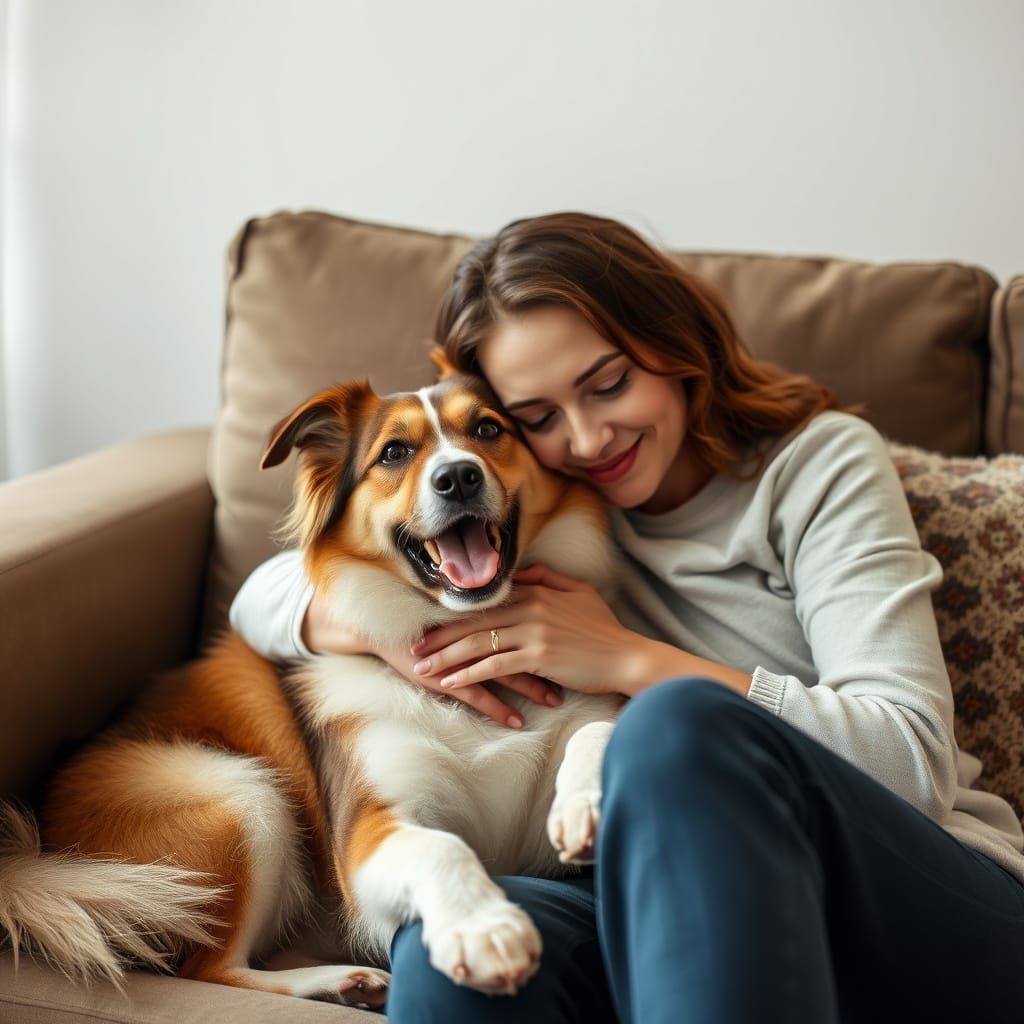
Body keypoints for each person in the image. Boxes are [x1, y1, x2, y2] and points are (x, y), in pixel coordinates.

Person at [229, 212, 1024, 1022]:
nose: (587, 437)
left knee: (672, 725)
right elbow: (266, 590)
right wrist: (389, 637)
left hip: (917, 894)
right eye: (537, 416)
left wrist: (629, 661)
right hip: (659, 896)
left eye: (608, 384)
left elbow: (914, 762)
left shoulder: (819, 466)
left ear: (674, 340)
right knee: (453, 950)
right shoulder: (541, 506)